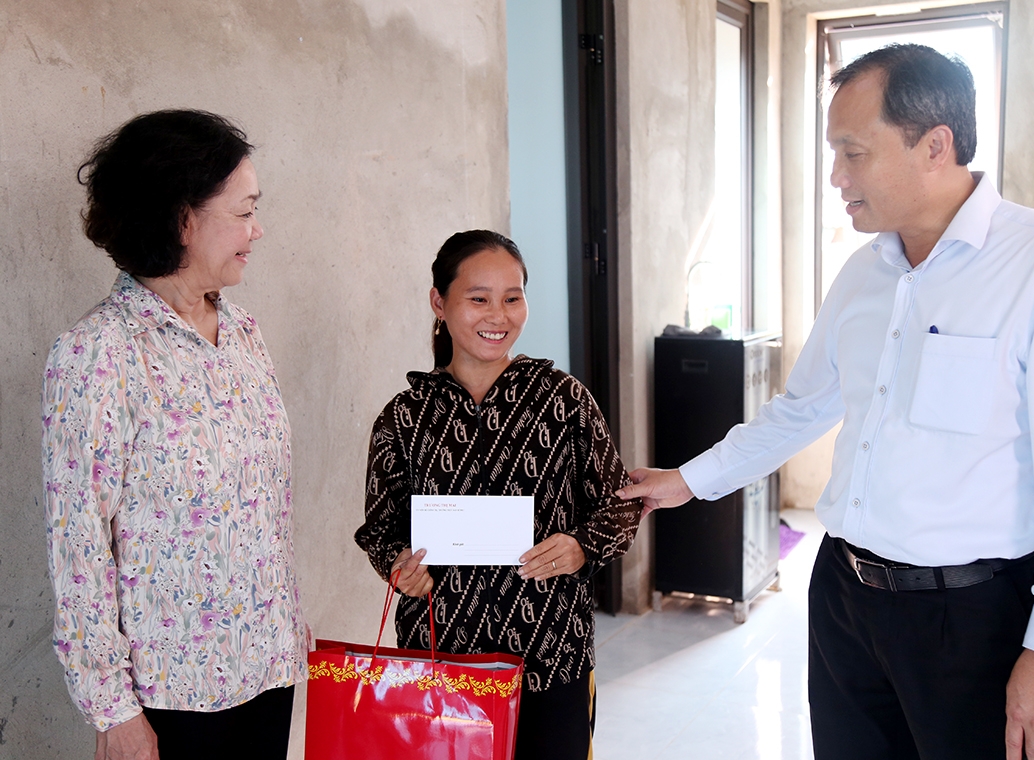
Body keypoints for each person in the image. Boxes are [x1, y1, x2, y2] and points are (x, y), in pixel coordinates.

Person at [618, 44, 1034, 760]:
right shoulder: (865, 274)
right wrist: (685, 481)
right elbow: (801, 409)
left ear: (935, 145)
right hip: (843, 597)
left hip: (972, 618)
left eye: (853, 153)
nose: (836, 177)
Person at [42, 110, 307, 760]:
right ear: (183, 219)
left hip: (269, 667)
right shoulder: (100, 353)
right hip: (172, 696)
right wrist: (113, 712)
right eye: (243, 211)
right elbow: (78, 547)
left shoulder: (244, 334)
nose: (257, 229)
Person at [354, 229, 641, 760]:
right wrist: (398, 567)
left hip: (552, 656)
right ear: (439, 303)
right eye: (478, 298)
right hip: (442, 661)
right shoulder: (404, 418)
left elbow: (621, 501)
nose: (498, 315)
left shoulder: (562, 398)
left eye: (513, 298)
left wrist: (581, 545)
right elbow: (380, 529)